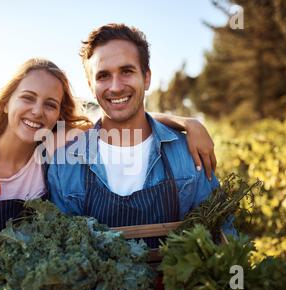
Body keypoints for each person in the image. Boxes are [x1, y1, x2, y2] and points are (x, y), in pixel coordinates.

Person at [0, 57, 217, 290]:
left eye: (50, 104)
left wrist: (187, 123)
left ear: (58, 114)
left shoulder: (56, 149)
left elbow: (124, 116)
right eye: (27, 98)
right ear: (7, 103)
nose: (37, 111)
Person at [47, 23, 233, 249]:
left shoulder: (189, 154)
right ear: (90, 85)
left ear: (146, 78)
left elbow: (223, 239)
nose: (115, 87)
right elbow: (60, 252)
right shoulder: (65, 166)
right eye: (103, 76)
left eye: (126, 71)